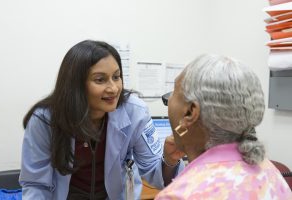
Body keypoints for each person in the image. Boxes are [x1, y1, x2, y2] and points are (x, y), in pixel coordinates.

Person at [19, 40, 185, 200]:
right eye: (100, 79)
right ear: (76, 84)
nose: (113, 88)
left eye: (116, 77)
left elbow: (155, 174)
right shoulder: (44, 120)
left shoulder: (135, 112)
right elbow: (36, 185)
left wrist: (169, 159)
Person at [155, 54, 292, 199]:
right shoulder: (272, 174)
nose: (169, 100)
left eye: (173, 92)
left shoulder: (179, 195)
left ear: (190, 112)